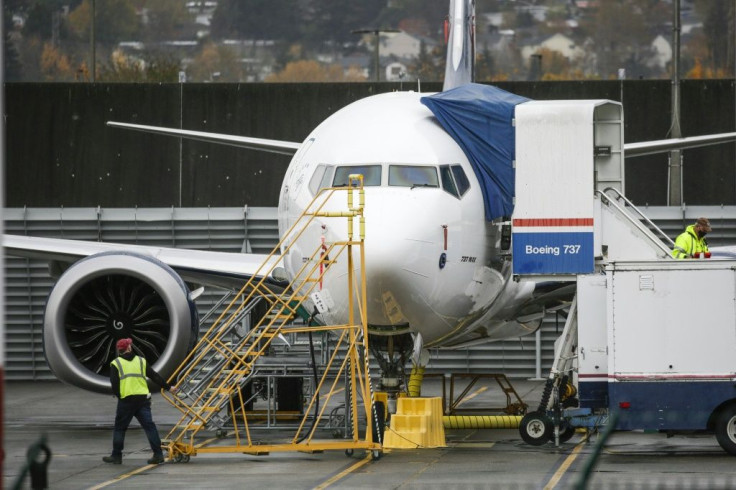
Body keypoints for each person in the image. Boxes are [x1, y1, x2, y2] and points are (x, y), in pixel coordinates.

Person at [102, 338, 177, 465]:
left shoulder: (116, 363)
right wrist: (169, 387)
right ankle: (158, 454)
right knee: (149, 427)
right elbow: (154, 376)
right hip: (142, 399)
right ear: (129, 348)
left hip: (126, 400)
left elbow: (114, 384)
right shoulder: (141, 361)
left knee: (120, 428)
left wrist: (120, 395)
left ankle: (117, 455)